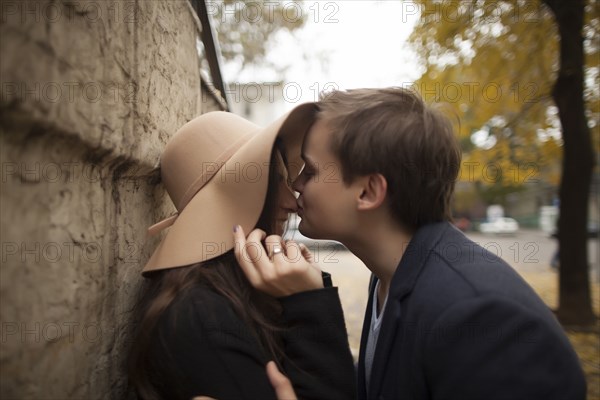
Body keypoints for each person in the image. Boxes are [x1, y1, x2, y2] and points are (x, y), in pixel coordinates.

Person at [235, 88, 587, 399]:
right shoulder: (393, 276)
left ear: (368, 191)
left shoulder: (485, 320)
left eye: (310, 171)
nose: (295, 184)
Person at [128, 104, 356, 400]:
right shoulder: (202, 316)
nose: (293, 202)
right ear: (234, 197)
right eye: (274, 183)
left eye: (287, 182)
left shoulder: (241, 291)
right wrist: (310, 304)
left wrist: (305, 292)